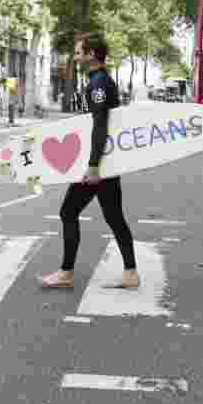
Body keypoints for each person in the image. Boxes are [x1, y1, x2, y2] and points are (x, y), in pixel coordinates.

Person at [38, 33, 140, 290]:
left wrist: (93, 165)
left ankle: (66, 272)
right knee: (114, 217)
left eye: (78, 51)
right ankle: (130, 272)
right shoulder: (102, 79)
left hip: (100, 164)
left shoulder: (98, 83)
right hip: (108, 162)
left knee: (68, 212)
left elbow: (100, 124)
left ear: (91, 54)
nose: (75, 55)